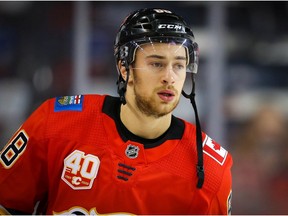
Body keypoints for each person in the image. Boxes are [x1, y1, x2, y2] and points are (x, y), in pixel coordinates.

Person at [0, 8, 232, 215]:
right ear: (124, 67)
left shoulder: (211, 171)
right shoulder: (56, 121)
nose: (169, 77)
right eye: (156, 63)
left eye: (179, 65)